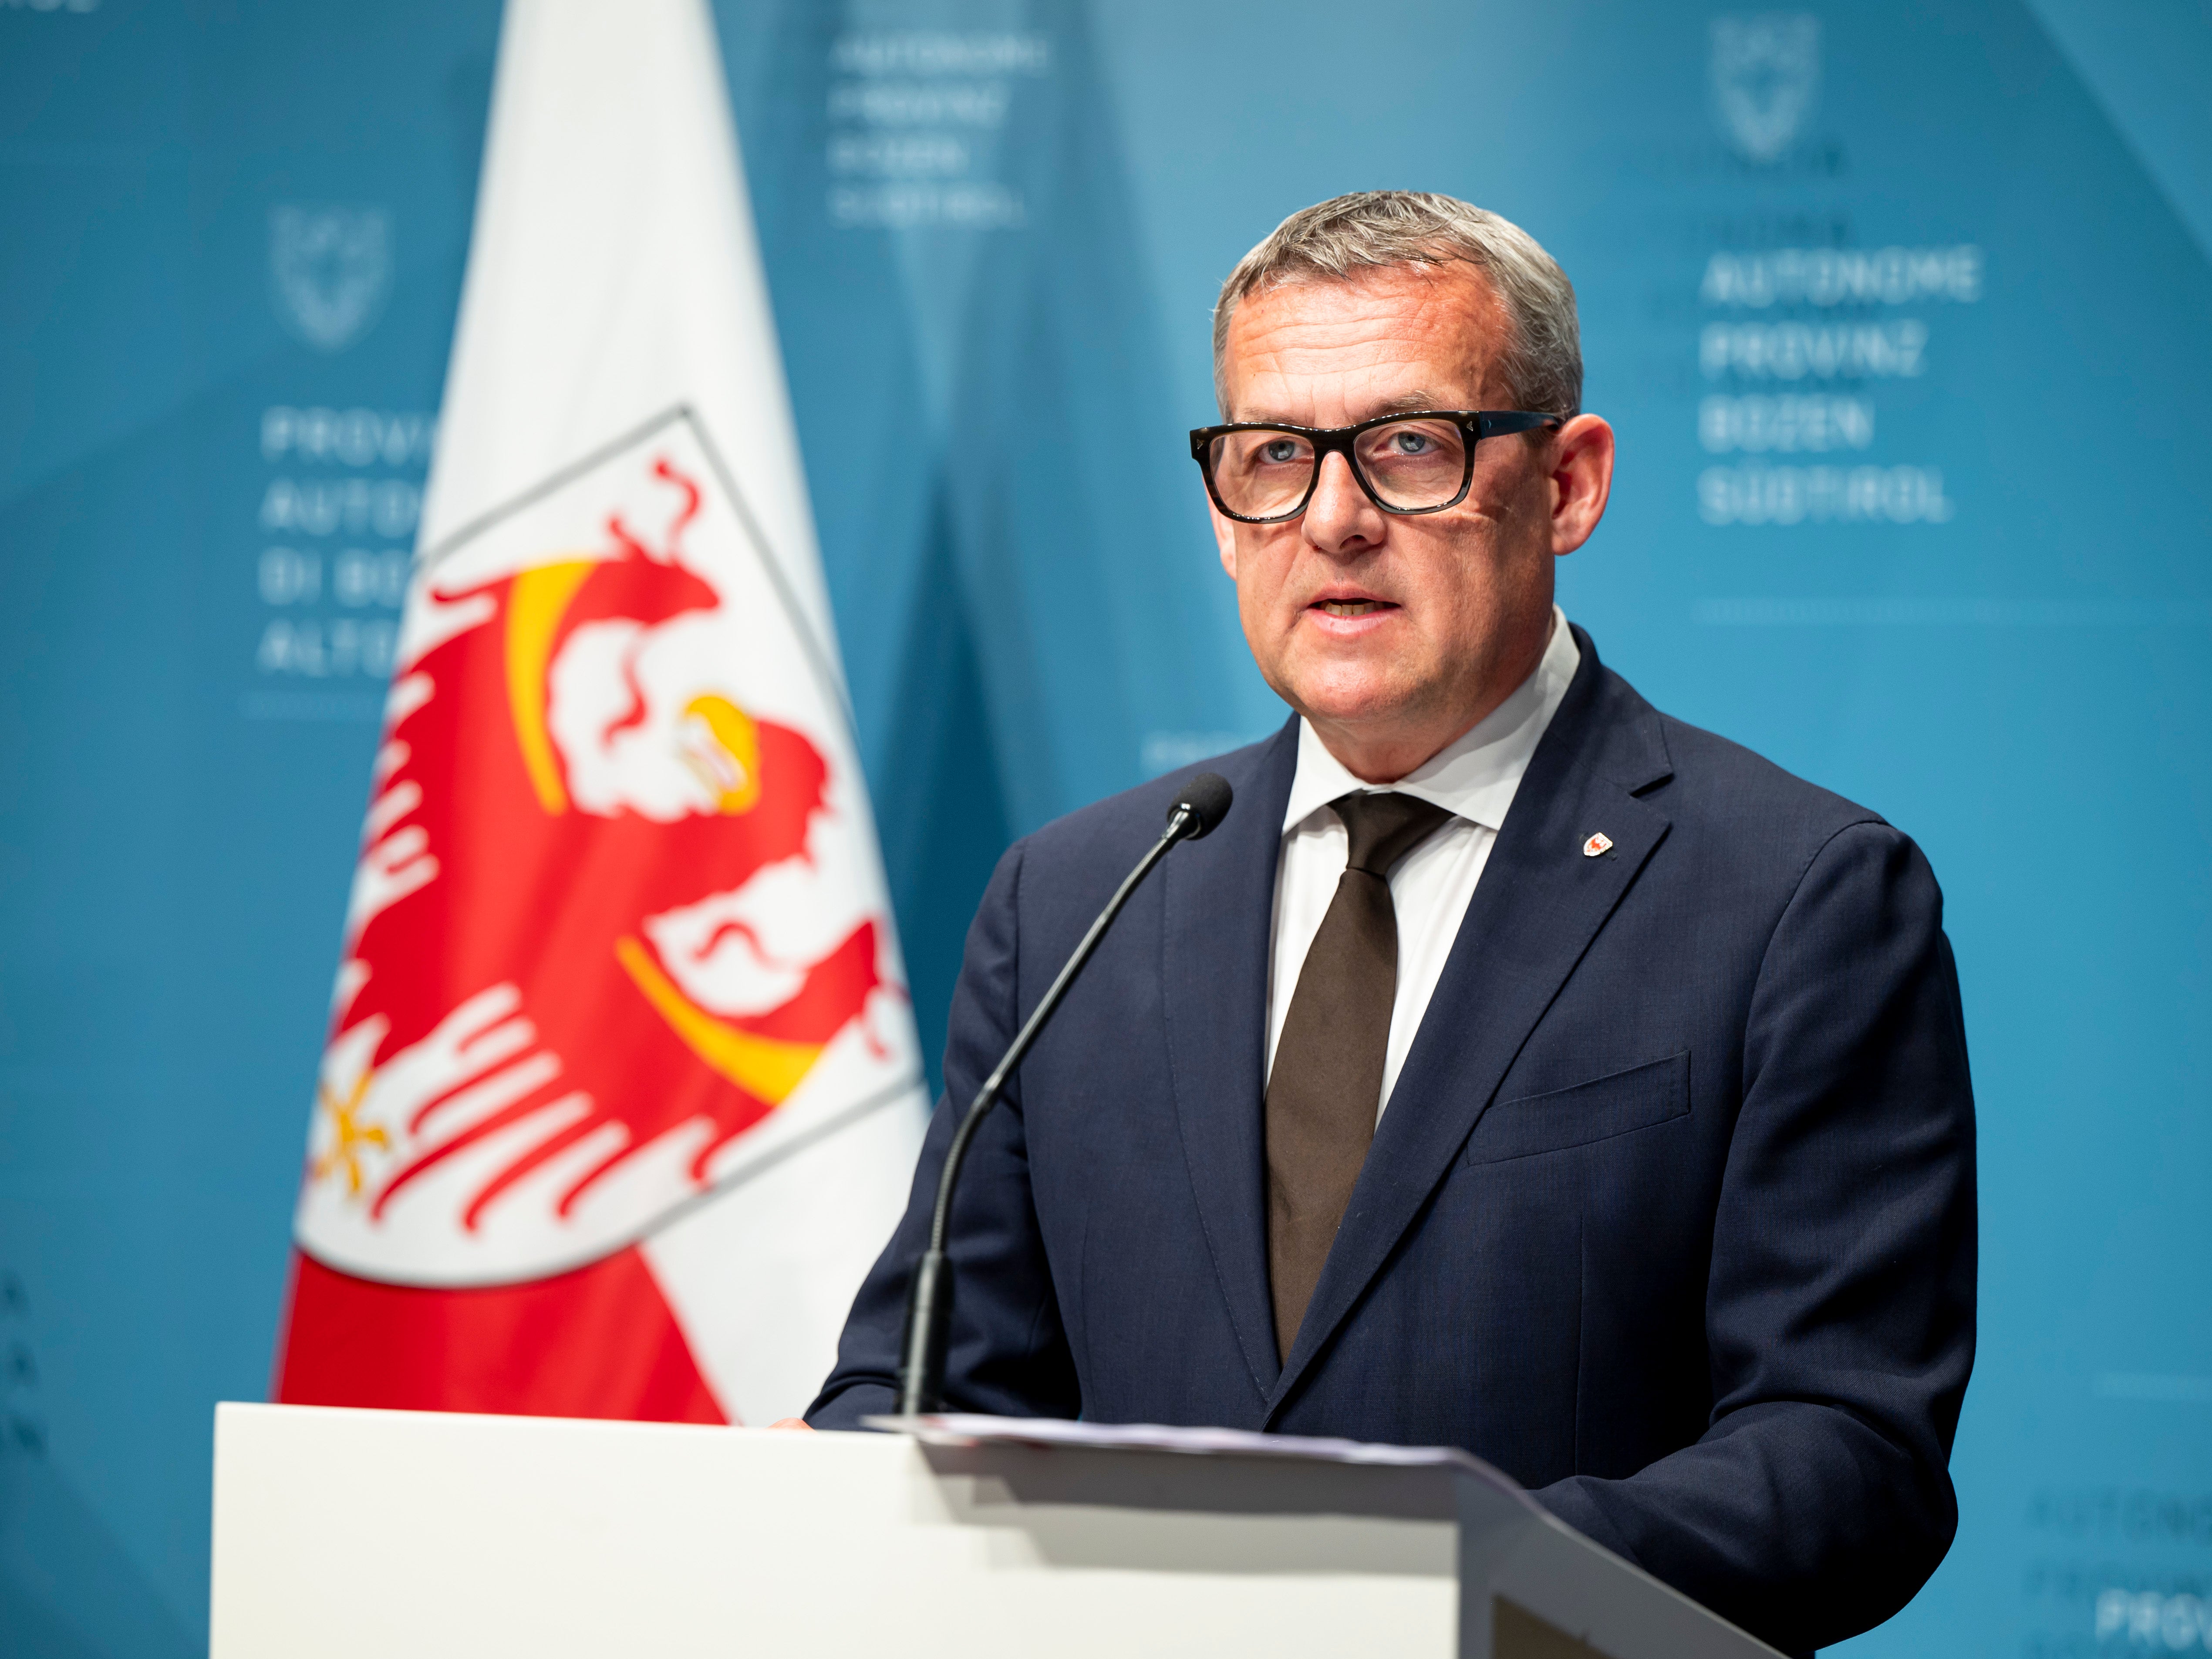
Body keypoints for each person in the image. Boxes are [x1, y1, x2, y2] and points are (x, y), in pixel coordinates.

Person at [799, 192, 1977, 1656]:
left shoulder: (1801, 895)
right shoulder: (1078, 895)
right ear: (1221, 513)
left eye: (1411, 445)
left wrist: (1430, 1582)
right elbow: (920, 1387)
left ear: (1569, 485)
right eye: (1273, 456)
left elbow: (1846, 1454)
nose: (1333, 518)